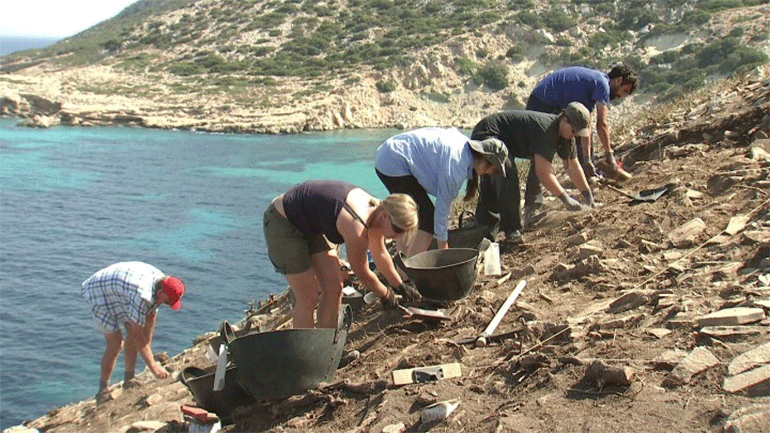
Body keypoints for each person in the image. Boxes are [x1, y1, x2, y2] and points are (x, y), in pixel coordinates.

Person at [263, 179, 419, 329]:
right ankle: (303, 346)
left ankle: (326, 342)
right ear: (386, 215)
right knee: (308, 297)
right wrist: (385, 295)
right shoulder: (356, 227)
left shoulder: (378, 213)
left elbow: (381, 253)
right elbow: (361, 271)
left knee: (334, 287)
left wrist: (400, 286)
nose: (397, 236)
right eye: (398, 229)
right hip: (284, 221)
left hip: (310, 225)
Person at [472, 102, 595, 244]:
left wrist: (588, 195)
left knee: (494, 179)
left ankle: (484, 235)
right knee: (506, 174)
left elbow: (573, 167)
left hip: (502, 140)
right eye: (574, 131)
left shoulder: (567, 137)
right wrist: (565, 199)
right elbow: (543, 173)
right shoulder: (547, 130)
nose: (575, 136)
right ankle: (512, 230)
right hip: (488, 134)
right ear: (565, 120)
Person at [374, 127, 508, 256]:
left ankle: (402, 263)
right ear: (485, 160)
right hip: (394, 162)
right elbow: (441, 214)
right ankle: (408, 268)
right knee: (426, 220)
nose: (490, 173)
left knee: (412, 216)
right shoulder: (456, 168)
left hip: (389, 153)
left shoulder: (464, 149)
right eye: (493, 169)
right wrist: (444, 252)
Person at [525, 64, 638, 204]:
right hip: (542, 104)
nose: (621, 96)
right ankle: (533, 204)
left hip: (547, 102)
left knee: (576, 134)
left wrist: (587, 158)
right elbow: (601, 125)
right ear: (618, 80)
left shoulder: (595, 81)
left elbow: (586, 126)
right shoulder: (602, 84)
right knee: (542, 153)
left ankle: (587, 183)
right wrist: (609, 156)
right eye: (624, 90)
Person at [81, 261, 185, 404]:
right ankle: (102, 389)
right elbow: (138, 336)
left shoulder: (161, 285)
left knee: (132, 331)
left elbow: (150, 317)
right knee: (116, 344)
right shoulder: (141, 295)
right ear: (160, 293)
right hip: (99, 293)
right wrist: (154, 367)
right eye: (167, 302)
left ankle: (129, 379)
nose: (166, 305)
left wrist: (148, 347)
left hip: (121, 291)